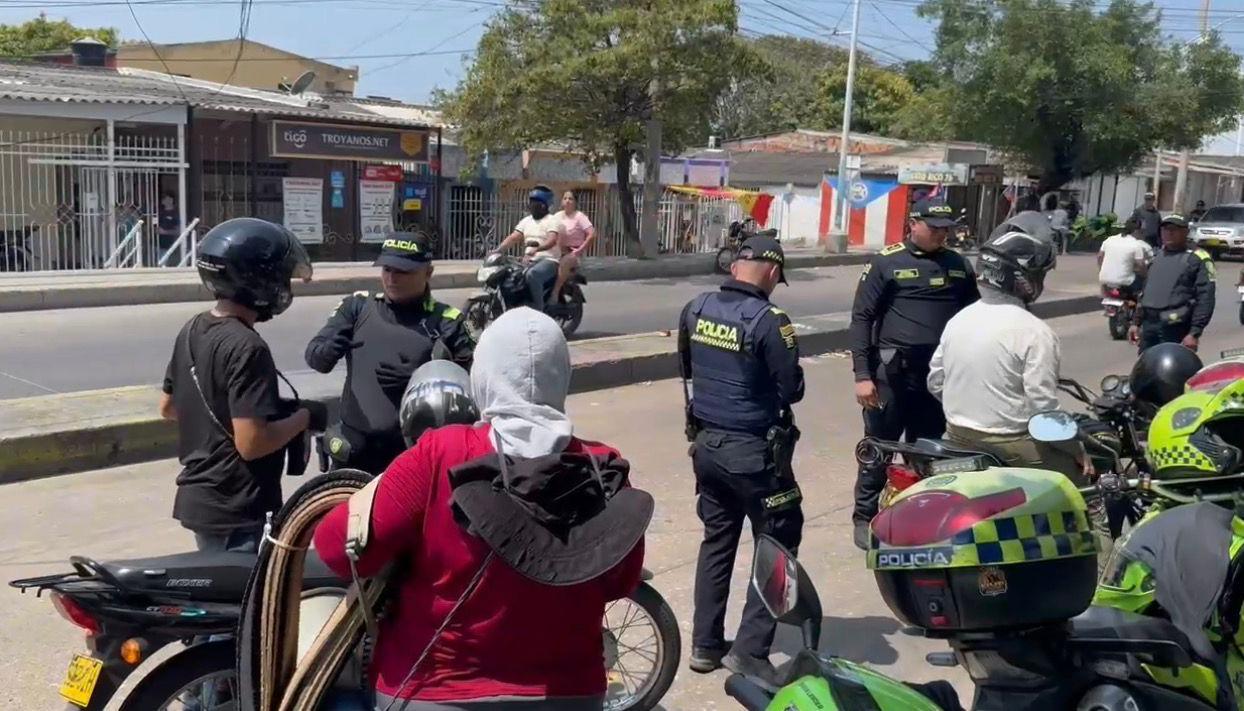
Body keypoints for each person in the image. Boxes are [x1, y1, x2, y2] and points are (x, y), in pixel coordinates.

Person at [313, 307, 648, 710]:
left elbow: (338, 550)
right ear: (563, 375)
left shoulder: (441, 453)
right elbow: (619, 582)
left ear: (483, 377)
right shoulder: (602, 467)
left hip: (433, 691)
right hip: (569, 693)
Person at [927, 214, 1111, 560]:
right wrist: (1076, 451)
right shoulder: (1034, 331)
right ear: (1025, 279)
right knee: (1091, 494)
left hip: (957, 437)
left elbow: (936, 380)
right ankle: (1105, 582)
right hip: (1013, 443)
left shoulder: (960, 319)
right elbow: (1043, 409)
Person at [678, 235, 805, 684]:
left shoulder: (696, 308)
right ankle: (750, 650)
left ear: (735, 267)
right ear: (771, 273)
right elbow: (792, 389)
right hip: (754, 455)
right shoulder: (772, 320)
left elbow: (689, 369)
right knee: (781, 536)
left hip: (708, 449)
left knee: (717, 540)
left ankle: (705, 645)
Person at [159, 217, 325, 552]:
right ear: (259, 279)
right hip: (239, 508)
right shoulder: (248, 347)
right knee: (252, 602)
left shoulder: (192, 329)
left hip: (202, 500)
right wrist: (303, 418)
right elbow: (252, 443)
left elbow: (169, 407)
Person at [847, 199, 979, 549]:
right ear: (913, 224)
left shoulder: (959, 265)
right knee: (878, 448)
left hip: (935, 378)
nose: (940, 233)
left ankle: (922, 517)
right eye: (933, 227)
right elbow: (862, 318)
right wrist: (863, 374)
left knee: (930, 452)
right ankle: (864, 516)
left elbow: (974, 316)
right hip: (891, 374)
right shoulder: (886, 262)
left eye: (945, 228)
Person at [305, 231, 475, 475]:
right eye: (387, 269)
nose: (392, 278)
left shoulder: (448, 322)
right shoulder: (357, 306)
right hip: (353, 451)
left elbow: (475, 385)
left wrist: (423, 378)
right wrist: (328, 351)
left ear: (428, 272)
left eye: (403, 271)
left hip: (410, 456)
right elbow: (315, 358)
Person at [1128, 214, 1216, 353]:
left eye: (1174, 229)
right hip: (1150, 325)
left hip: (1175, 326)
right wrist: (1135, 323)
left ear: (1186, 232)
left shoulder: (1198, 258)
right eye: (1165, 229)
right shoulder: (1157, 256)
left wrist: (1194, 333)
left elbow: (1205, 297)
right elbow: (1145, 291)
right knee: (1146, 368)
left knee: (1172, 370)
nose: (1169, 233)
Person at [494, 185, 561, 308]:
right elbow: (513, 237)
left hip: (548, 260)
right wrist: (497, 250)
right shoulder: (526, 221)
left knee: (532, 275)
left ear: (544, 205)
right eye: (531, 202)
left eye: (535, 202)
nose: (531, 205)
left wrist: (538, 249)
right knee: (508, 276)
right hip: (528, 260)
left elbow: (552, 240)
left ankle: (538, 310)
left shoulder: (552, 220)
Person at [551, 191, 595, 304]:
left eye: (570, 199)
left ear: (575, 202)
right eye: (565, 198)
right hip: (557, 251)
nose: (567, 201)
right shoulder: (557, 216)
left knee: (565, 262)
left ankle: (555, 293)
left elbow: (592, 234)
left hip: (574, 253)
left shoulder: (580, 217)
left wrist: (579, 250)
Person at [1097, 217, 1151, 295]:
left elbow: (1099, 257)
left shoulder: (1109, 239)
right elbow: (1141, 264)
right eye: (1142, 231)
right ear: (1136, 231)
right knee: (1143, 282)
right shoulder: (1136, 244)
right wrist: (1146, 275)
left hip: (1104, 280)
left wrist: (1101, 270)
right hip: (1125, 282)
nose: (1143, 234)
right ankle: (1137, 302)